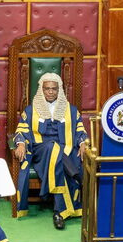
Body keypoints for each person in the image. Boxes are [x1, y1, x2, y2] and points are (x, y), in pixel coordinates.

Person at [13, 72, 88, 230]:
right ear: (41, 89)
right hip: (41, 151)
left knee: (57, 153)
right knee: (52, 146)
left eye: (54, 89)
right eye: (47, 89)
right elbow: (21, 130)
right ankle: (74, 181)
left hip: (65, 151)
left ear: (59, 90)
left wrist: (83, 143)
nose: (51, 92)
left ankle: (58, 212)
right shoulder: (31, 110)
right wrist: (20, 144)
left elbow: (80, 130)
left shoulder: (71, 110)